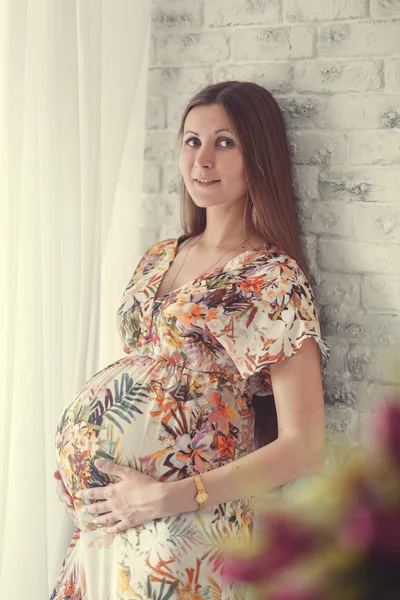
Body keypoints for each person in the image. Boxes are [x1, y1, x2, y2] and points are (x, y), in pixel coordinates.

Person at [51, 80, 330, 600]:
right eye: (191, 141)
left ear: (259, 157)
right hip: (110, 521)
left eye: (225, 142)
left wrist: (166, 499)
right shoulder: (160, 254)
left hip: (183, 526)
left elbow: (304, 447)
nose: (202, 159)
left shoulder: (271, 278)